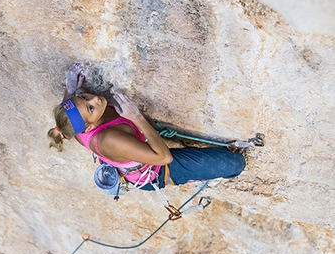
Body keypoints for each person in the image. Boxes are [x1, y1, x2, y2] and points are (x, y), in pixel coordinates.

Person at [47, 63, 245, 192]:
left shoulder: (77, 126)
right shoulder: (109, 140)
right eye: (90, 108)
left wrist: (70, 90)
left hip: (136, 151)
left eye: (84, 97)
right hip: (155, 169)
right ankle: (195, 177)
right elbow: (164, 157)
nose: (95, 99)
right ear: (89, 126)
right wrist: (137, 118)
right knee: (234, 163)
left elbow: (70, 113)